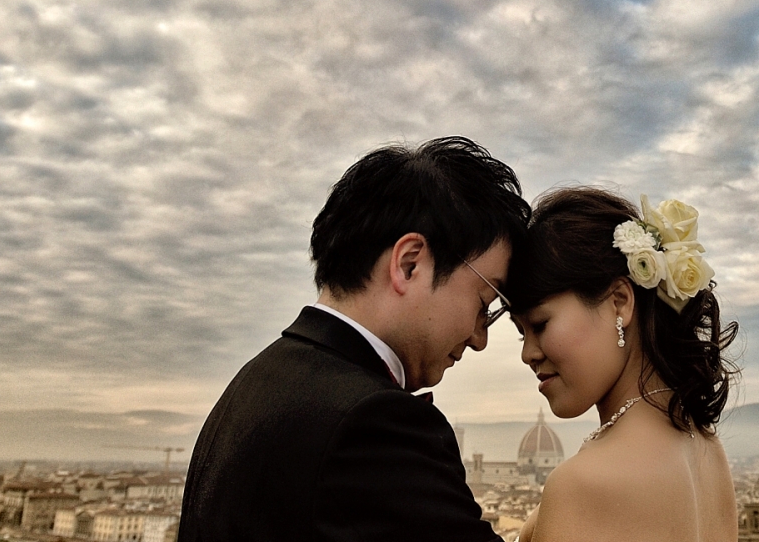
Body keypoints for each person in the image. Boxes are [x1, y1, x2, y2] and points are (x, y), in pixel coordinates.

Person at [177, 136, 530, 542]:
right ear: (410, 263)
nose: (479, 338)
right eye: (486, 302)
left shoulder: (251, 384)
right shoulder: (373, 425)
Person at [506, 187, 739, 542]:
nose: (528, 353)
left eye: (539, 325)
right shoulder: (706, 449)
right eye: (521, 333)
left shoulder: (585, 483)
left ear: (619, 302)